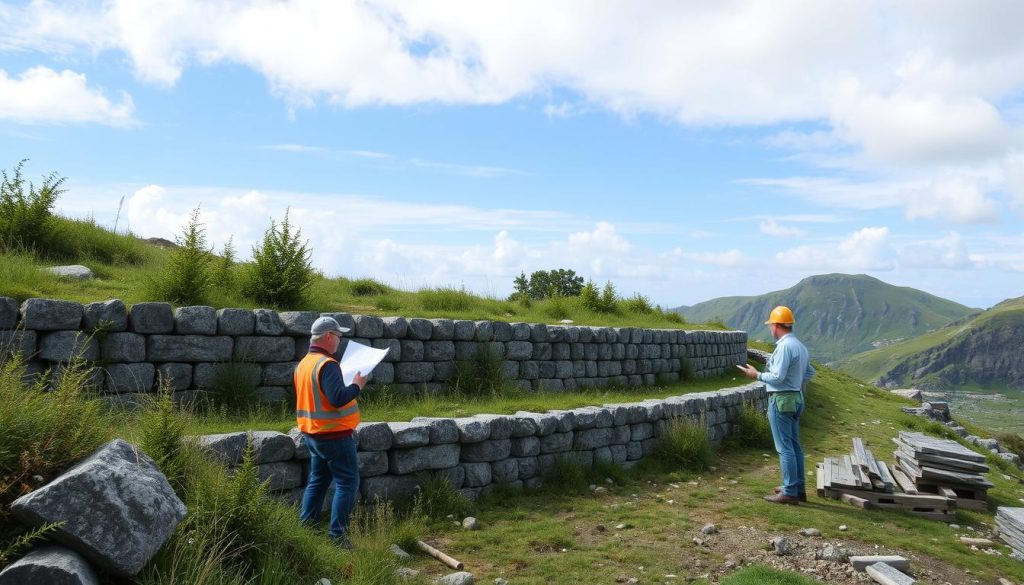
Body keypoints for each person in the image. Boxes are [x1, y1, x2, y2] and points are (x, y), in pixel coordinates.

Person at [294, 316, 367, 547]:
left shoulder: (304, 364)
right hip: (334, 435)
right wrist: (357, 385)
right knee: (347, 482)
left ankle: (307, 529)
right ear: (328, 336)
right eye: (338, 336)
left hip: (313, 435)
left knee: (318, 480)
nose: (339, 341)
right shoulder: (327, 364)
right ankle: (338, 537)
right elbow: (337, 398)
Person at [737, 305, 815, 505]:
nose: (770, 328)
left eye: (771, 325)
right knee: (795, 445)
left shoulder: (784, 347)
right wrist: (795, 383)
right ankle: (798, 488)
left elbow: (778, 377)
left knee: (784, 447)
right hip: (797, 399)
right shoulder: (800, 345)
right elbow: (809, 373)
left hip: (781, 399)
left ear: (776, 325)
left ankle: (789, 492)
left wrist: (756, 375)